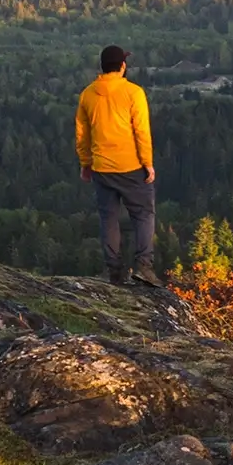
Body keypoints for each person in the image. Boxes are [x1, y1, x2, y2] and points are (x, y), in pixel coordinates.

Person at [75, 44, 159, 286]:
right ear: (122, 66)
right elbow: (141, 131)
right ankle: (144, 266)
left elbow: (82, 135)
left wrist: (86, 163)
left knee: (108, 218)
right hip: (131, 166)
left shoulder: (88, 94)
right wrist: (148, 163)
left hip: (101, 168)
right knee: (143, 215)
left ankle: (113, 272)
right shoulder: (133, 93)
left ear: (102, 67)